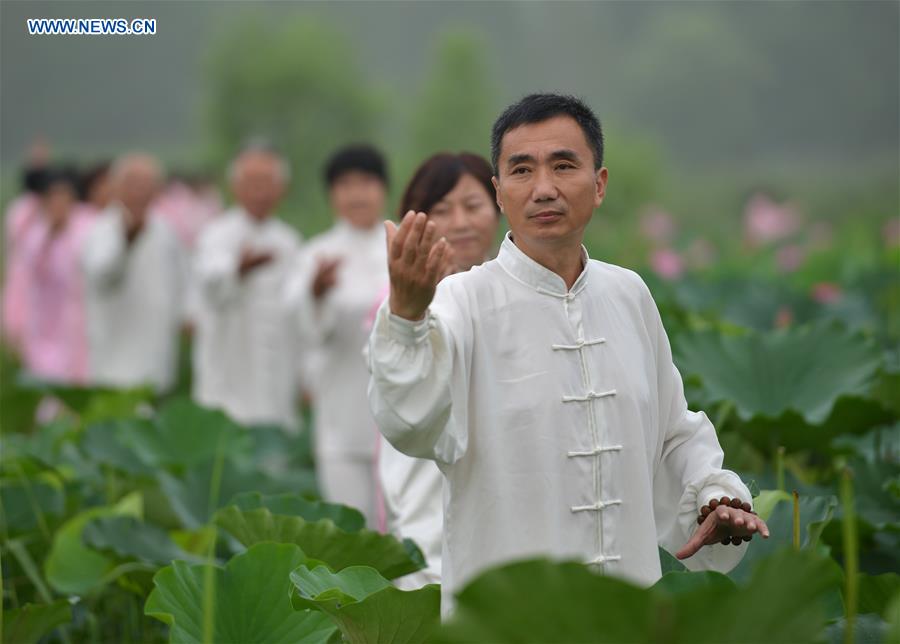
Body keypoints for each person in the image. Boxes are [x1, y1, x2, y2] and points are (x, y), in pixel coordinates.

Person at [367, 94, 768, 614]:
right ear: (500, 192)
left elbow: (672, 433)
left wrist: (713, 493)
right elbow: (409, 424)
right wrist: (406, 317)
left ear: (598, 184)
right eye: (521, 170)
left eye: (563, 165)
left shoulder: (629, 295)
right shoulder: (462, 301)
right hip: (509, 621)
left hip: (628, 611)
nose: (544, 189)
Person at [375, 152, 502, 589]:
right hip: (424, 494)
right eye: (442, 210)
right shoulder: (402, 302)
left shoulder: (518, 293)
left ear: (499, 204)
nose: (461, 222)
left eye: (473, 205)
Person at [283, 144, 390, 524]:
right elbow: (302, 322)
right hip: (340, 416)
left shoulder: (399, 246)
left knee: (402, 532)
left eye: (366, 182)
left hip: (398, 417)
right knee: (350, 529)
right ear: (332, 194)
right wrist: (316, 292)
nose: (357, 193)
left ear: (383, 189)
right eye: (345, 184)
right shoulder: (316, 254)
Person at [192, 143, 301, 429]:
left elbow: (297, 310)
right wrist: (238, 270)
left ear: (283, 189)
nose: (260, 192)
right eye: (252, 183)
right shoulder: (216, 234)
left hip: (276, 379)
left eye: (268, 183)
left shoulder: (289, 241)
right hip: (228, 374)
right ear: (235, 187)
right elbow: (210, 285)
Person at [81, 153, 184, 391]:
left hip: (156, 351)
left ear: (157, 190)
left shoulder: (166, 230)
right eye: (132, 184)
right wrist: (126, 242)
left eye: (147, 185)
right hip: (114, 356)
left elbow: (181, 281)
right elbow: (101, 274)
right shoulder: (102, 230)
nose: (139, 192)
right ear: (116, 187)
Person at [15, 166, 92, 383]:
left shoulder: (86, 227)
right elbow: (30, 270)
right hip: (45, 323)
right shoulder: (36, 233)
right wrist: (51, 232)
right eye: (54, 197)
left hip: (79, 321)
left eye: (64, 196)